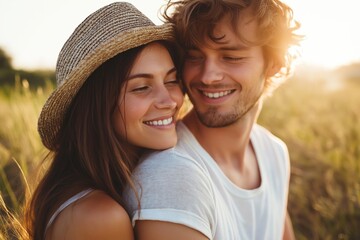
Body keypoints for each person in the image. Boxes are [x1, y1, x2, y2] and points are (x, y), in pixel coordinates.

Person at [124, 0, 303, 239]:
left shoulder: (274, 151)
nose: (208, 77)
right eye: (194, 57)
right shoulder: (170, 175)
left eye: (231, 57)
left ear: (273, 64)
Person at [23, 2, 184, 240]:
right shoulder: (99, 216)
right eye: (141, 87)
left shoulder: (97, 191)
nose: (169, 100)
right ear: (96, 106)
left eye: (172, 81)